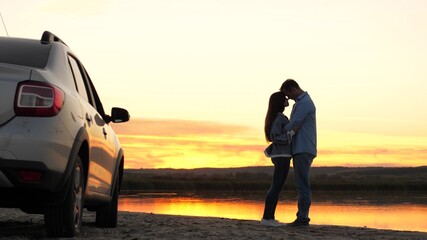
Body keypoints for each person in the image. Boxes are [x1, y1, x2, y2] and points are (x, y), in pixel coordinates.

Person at [280, 79, 317, 227]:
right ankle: (302, 217)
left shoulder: (305, 103)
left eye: (288, 95)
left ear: (293, 89)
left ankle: (302, 218)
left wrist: (278, 131)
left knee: (303, 185)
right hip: (301, 148)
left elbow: (294, 123)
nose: (288, 99)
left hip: (303, 148)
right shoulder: (301, 103)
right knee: (301, 184)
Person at [260, 91, 293, 227]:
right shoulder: (279, 118)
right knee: (276, 186)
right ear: (280, 102)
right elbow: (275, 136)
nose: (288, 100)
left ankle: (270, 217)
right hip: (281, 155)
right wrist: (290, 134)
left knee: (277, 186)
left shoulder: (278, 117)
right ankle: (267, 218)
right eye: (285, 98)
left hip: (282, 155)